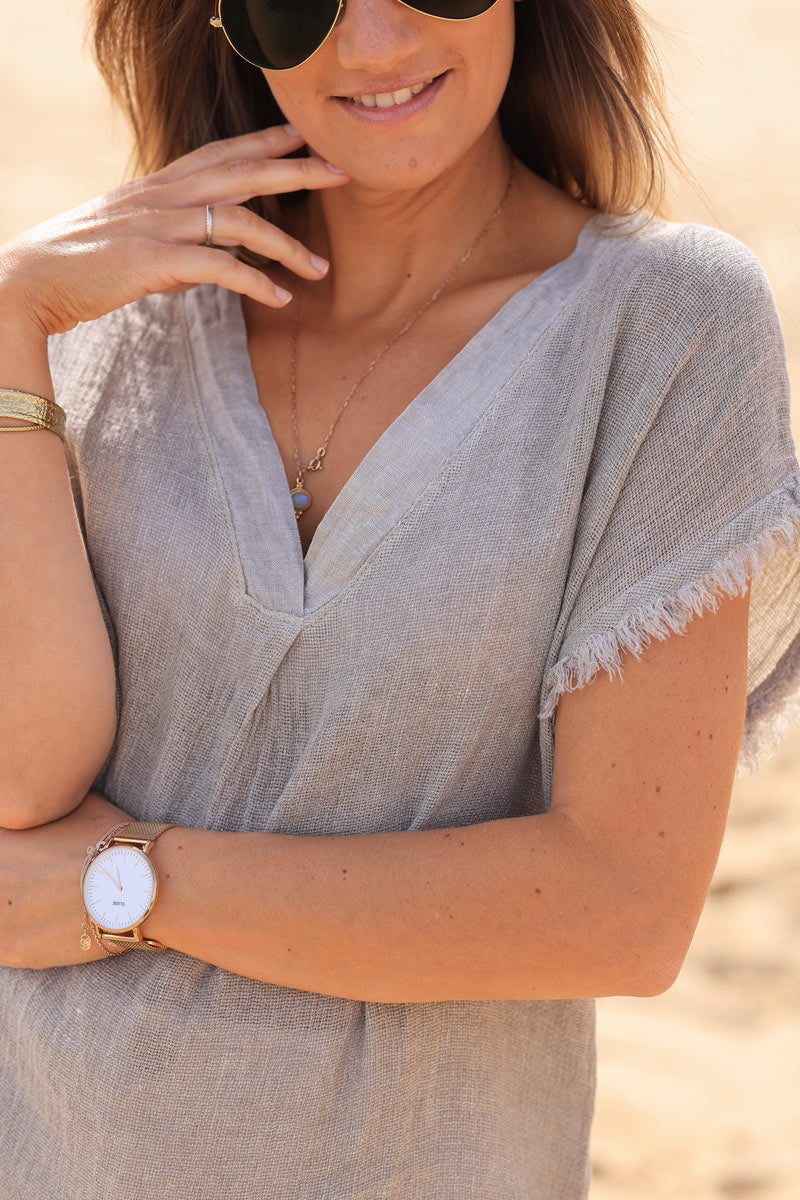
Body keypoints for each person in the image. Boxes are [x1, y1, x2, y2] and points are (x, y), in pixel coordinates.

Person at [1, 0, 799, 1196]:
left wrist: (132, 883)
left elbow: (620, 908)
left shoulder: (662, 326)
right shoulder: (107, 329)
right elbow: (23, 779)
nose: (370, 46)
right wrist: (7, 325)